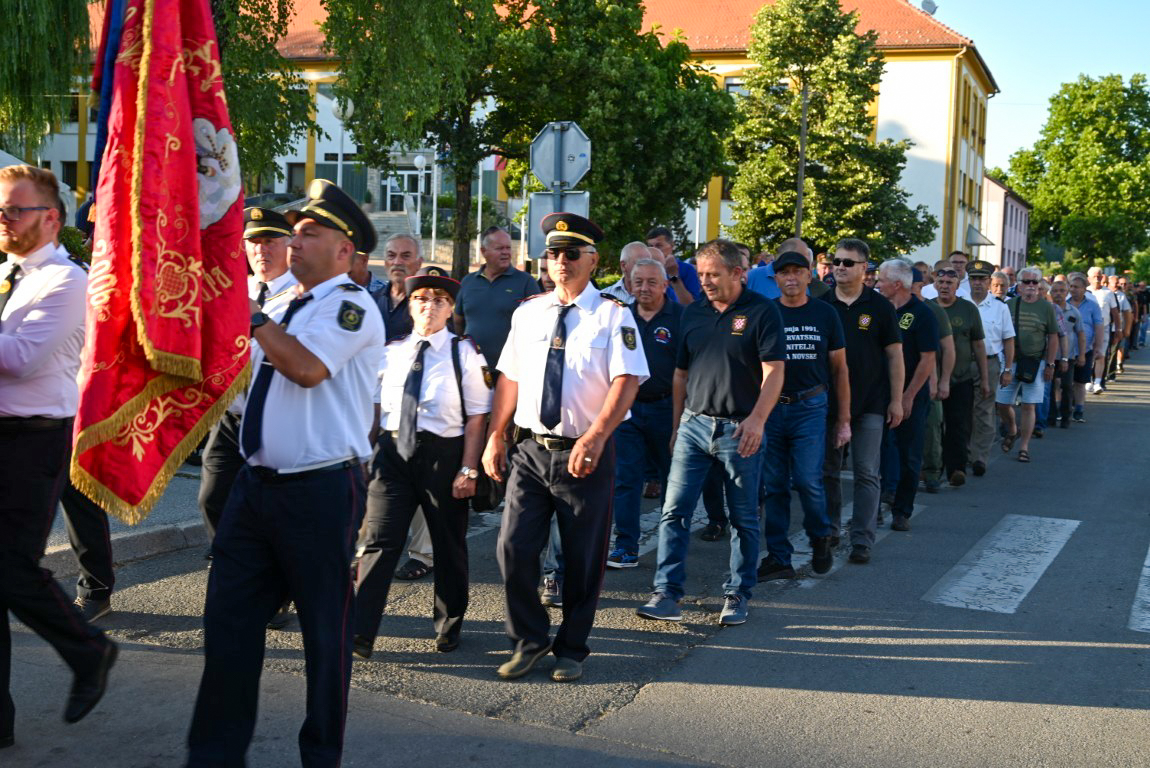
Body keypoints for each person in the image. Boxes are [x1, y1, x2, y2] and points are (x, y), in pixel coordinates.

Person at [187, 179, 387, 767]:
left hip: (320, 491)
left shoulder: (351, 306)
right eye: (293, 233)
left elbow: (303, 368)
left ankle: (320, 757)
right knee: (227, 628)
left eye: (309, 233)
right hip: (255, 489)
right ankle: (214, 756)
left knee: (325, 639)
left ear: (346, 250)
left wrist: (248, 318)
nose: (293, 243)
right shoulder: (280, 307)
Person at [483, 212, 648, 684]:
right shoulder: (528, 312)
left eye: (571, 254)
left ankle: (571, 647)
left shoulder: (613, 315)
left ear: (592, 261)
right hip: (532, 451)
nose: (560, 262)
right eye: (552, 254)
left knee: (581, 558)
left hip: (586, 452)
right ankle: (529, 638)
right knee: (513, 548)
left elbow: (626, 381)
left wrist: (596, 436)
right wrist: (497, 435)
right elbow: (509, 378)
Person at [0, 165, 118, 747]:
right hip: (4, 434)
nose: (4, 219)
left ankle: (88, 650)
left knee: (12, 569)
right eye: (0, 210)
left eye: (14, 210)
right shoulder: (12, 274)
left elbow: (20, 358)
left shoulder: (67, 282)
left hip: (34, 439)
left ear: (50, 218)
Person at [636, 239, 784, 626]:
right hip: (693, 425)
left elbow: (774, 372)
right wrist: (676, 426)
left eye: (713, 274)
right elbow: (681, 374)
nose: (705, 281)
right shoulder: (694, 312)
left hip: (740, 431)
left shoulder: (762, 312)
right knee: (673, 513)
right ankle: (666, 592)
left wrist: (757, 420)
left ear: (738, 273)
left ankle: (738, 593)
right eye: (700, 274)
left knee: (743, 517)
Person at [353, 267, 491, 657]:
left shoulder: (465, 353)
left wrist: (469, 469)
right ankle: (360, 630)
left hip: (442, 458)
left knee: (448, 546)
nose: (429, 305)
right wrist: (366, 456)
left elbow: (477, 416)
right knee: (379, 542)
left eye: (439, 300)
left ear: (450, 309)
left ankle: (449, 623)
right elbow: (375, 410)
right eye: (420, 298)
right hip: (392, 456)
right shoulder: (391, 352)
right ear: (410, 305)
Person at [198, 207, 298, 545]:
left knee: (271, 507)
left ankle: (266, 572)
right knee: (212, 497)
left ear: (289, 244)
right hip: (230, 414)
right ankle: (229, 559)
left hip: (275, 418)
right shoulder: (232, 289)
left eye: (270, 241)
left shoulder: (302, 295)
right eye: (253, 242)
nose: (261, 250)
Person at [758, 250, 847, 580]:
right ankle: (779, 556)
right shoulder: (766, 313)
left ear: (810, 276)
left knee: (809, 480)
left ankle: (820, 536)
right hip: (772, 407)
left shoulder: (825, 314)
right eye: (784, 273)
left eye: (798, 272)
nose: (791, 278)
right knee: (774, 485)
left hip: (811, 406)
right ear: (776, 278)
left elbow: (840, 370)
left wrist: (844, 419)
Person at [821, 239, 904, 565]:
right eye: (836, 261)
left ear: (864, 269)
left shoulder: (880, 307)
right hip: (828, 403)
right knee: (827, 470)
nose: (840, 267)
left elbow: (895, 356)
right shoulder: (822, 304)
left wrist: (896, 400)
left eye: (848, 262)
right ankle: (829, 530)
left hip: (870, 402)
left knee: (867, 473)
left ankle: (862, 539)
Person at [607, 258, 682, 568]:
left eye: (652, 282)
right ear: (629, 283)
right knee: (626, 479)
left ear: (665, 285)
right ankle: (626, 546)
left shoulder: (680, 317)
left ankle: (671, 547)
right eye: (638, 282)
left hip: (667, 408)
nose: (644, 288)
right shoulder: (621, 317)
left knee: (672, 481)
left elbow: (687, 371)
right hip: (629, 410)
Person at [875, 259, 938, 532]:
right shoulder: (876, 311)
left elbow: (927, 360)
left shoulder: (923, 314)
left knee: (908, 453)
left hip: (911, 394)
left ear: (897, 284)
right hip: (878, 393)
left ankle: (902, 511)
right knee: (874, 454)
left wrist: (908, 396)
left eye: (881, 280)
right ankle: (872, 509)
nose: (877, 284)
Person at [929, 260, 987, 487]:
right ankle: (933, 467)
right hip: (931, 377)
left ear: (957, 285)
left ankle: (957, 468)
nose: (944, 286)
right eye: (941, 281)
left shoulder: (968, 309)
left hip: (961, 377)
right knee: (933, 425)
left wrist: (984, 378)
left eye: (949, 282)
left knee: (959, 424)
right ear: (934, 283)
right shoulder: (928, 308)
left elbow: (979, 345)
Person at [454, 225, 538, 374]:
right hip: (471, 371)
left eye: (508, 248)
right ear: (483, 251)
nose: (506, 252)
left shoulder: (526, 282)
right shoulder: (468, 282)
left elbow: (536, 327)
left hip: (510, 373)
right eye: (500, 248)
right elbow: (458, 322)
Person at [996, 266, 1059, 464]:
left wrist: (1050, 364)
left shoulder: (1047, 307)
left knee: (1029, 406)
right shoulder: (1009, 305)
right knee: (1002, 403)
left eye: (1034, 282)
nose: (1031, 286)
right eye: (1026, 282)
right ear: (1019, 285)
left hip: (1035, 363)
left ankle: (1024, 446)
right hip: (1011, 362)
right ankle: (1013, 428)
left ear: (1040, 285)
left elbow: (1053, 336)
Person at [966, 259, 1014, 476]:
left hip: (990, 361)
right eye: (973, 279)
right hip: (961, 362)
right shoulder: (960, 303)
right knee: (961, 409)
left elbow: (1008, 339)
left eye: (981, 279)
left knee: (984, 411)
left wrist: (1008, 369)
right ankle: (962, 453)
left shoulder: (999, 307)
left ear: (988, 282)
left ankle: (979, 457)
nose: (977, 283)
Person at [1066, 272, 1103, 422]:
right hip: (1065, 349)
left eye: (1076, 287)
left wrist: (1098, 346)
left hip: (1085, 349)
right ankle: (1064, 408)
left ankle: (1079, 409)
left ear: (1084, 289)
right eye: (1071, 286)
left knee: (1080, 381)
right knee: (1065, 382)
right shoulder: (1064, 304)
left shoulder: (1092, 306)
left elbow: (1098, 326)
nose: (1073, 289)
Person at [1049, 279, 1085, 428]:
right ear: (1050, 293)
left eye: (1062, 291)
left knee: (1067, 386)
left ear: (1067, 292)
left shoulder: (1073, 311)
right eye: (1055, 291)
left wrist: (1081, 354)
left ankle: (1065, 416)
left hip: (1067, 356)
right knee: (1049, 387)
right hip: (1049, 355)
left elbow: (1081, 334)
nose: (1058, 294)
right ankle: (1050, 417)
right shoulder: (1047, 310)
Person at [376, 233, 423, 338]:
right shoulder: (372, 300)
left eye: (405, 256)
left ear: (419, 263)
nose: (397, 262)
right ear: (385, 262)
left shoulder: (428, 305)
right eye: (391, 256)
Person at [647, 225, 700, 305]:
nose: (654, 250)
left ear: (672, 246)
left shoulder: (687, 270)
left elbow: (691, 306)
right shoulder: (644, 270)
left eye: (659, 246)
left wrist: (673, 276)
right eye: (650, 246)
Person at [1087, 266, 1118, 393]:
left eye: (1099, 276)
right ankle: (1087, 381)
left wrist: (1118, 329)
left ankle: (1098, 382)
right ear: (1089, 278)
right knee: (1088, 355)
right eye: (1095, 276)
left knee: (1101, 354)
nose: (1098, 278)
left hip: (1104, 328)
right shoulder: (1086, 292)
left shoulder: (1108, 293)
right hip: (1088, 328)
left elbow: (1115, 312)